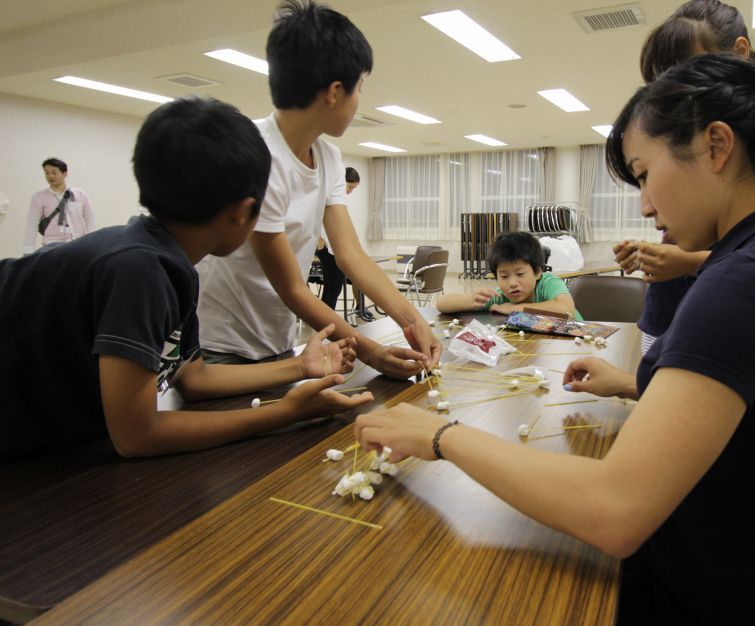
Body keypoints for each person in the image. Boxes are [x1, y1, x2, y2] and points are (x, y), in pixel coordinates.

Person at [356, 54, 755, 625]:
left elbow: (614, 511)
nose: (645, 205)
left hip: (734, 594)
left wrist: (441, 435)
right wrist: (634, 382)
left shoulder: (744, 279)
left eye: (645, 174)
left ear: (718, 147)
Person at [0, 96, 373, 462]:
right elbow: (136, 436)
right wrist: (287, 412)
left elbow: (193, 380)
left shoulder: (173, 265)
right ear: (244, 212)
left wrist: (297, 366)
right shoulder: (139, 270)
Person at [196, 1, 439, 376]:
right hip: (223, 347)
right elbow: (292, 287)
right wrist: (370, 352)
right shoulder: (257, 155)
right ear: (334, 92)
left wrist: (412, 321)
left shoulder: (327, 156)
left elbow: (351, 255)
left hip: (277, 340)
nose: (359, 101)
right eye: (359, 88)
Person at [613, 0, 755, 354]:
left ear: (740, 53)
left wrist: (686, 262)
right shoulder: (686, 146)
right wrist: (653, 253)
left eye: (688, 75)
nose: (671, 101)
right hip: (672, 308)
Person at [435, 231, 582, 321]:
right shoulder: (502, 297)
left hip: (581, 342)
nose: (512, 283)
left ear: (537, 272)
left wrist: (514, 308)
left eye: (520, 274)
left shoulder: (548, 283)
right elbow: (442, 303)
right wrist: (471, 299)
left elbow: (566, 310)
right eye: (504, 276)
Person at [316, 166, 374, 321]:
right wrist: (320, 244)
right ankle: (326, 320)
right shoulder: (325, 196)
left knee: (340, 285)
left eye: (354, 188)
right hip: (327, 250)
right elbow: (315, 220)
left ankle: (358, 310)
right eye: (349, 187)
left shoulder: (338, 199)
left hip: (335, 249)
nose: (350, 191)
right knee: (333, 287)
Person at [22, 157, 96, 255]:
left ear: (65, 174)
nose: (50, 176)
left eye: (54, 172)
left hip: (78, 245)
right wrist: (28, 249)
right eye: (47, 173)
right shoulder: (38, 197)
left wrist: (90, 243)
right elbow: (32, 223)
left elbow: (89, 219)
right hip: (52, 247)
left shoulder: (80, 194)